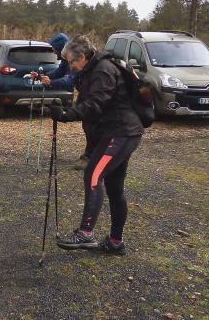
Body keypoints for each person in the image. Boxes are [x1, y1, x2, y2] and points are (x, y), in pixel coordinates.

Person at [49, 35, 144, 254]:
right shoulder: (90, 70)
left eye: (72, 62)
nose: (71, 67)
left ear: (82, 56)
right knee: (114, 187)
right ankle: (115, 242)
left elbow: (95, 104)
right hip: (119, 132)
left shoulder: (102, 70)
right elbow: (91, 106)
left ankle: (86, 233)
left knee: (93, 175)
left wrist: (66, 114)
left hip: (121, 132)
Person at [30, 33, 89, 169]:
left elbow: (69, 79)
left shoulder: (74, 59)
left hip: (89, 92)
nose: (54, 52)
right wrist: (41, 77)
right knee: (87, 125)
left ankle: (90, 156)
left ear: (61, 48)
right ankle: (90, 154)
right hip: (83, 92)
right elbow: (58, 73)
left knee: (90, 124)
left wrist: (51, 82)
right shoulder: (64, 60)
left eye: (54, 49)